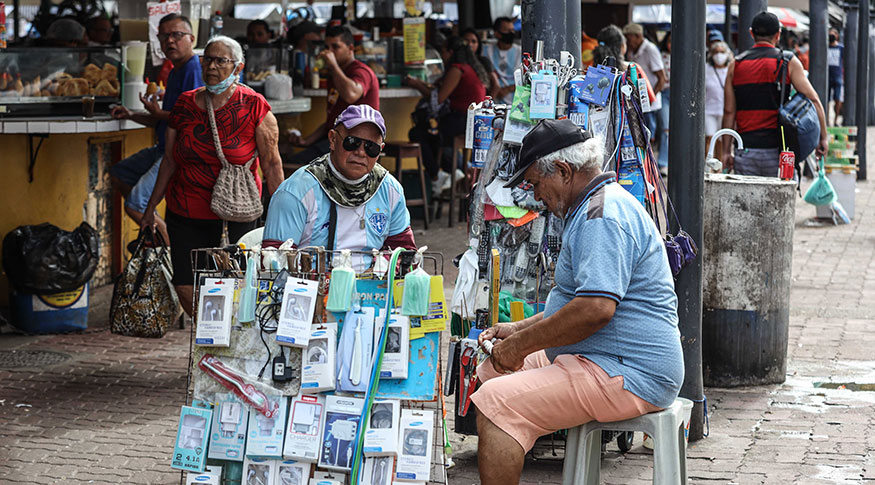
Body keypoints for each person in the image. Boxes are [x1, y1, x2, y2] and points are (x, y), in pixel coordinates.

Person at [473, 119, 683, 485]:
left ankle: (513, 430)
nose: (537, 196)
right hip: (602, 357)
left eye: (538, 184)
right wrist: (518, 331)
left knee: (496, 404)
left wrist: (521, 345)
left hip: (630, 370)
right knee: (493, 371)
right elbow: (575, 303)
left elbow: (595, 310)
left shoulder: (601, 216)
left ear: (565, 172)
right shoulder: (594, 207)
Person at [141, 35, 284, 316]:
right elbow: (169, 161)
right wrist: (150, 208)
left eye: (221, 60)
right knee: (185, 284)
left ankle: (223, 346)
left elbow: (272, 165)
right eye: (207, 59)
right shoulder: (184, 105)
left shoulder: (255, 106)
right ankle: (207, 336)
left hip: (236, 217)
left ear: (238, 68)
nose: (212, 66)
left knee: (238, 288)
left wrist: (281, 218)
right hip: (185, 210)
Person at [263, 104, 416, 259]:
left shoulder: (390, 189)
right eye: (352, 142)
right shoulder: (296, 191)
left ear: (381, 150)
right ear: (333, 139)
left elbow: (404, 252)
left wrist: (377, 273)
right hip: (312, 282)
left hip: (373, 281)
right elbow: (273, 262)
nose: (361, 152)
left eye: (371, 148)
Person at [109, 13, 204, 245]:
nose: (169, 41)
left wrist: (157, 112)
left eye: (177, 35)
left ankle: (173, 251)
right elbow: (163, 120)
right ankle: (158, 231)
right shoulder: (174, 71)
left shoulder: (194, 69)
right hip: (162, 147)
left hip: (177, 153)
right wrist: (133, 115)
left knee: (135, 204)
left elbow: (191, 118)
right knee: (120, 174)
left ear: (191, 38)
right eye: (164, 36)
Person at [722, 11, 828, 177]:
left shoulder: (736, 65)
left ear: (751, 33)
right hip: (780, 152)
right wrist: (823, 138)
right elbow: (813, 100)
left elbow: (729, 112)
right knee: (780, 202)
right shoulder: (787, 62)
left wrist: (726, 152)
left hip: (746, 149)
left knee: (747, 202)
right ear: (778, 35)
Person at [405, 36, 488, 193]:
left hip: (461, 121)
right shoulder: (471, 68)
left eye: (443, 51)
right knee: (432, 137)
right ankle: (455, 173)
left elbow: (438, 98)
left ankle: (438, 176)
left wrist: (416, 84)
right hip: (471, 123)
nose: (442, 56)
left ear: (451, 52)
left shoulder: (457, 69)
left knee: (418, 133)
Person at [287, 25, 379, 164]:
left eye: (335, 47)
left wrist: (333, 66)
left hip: (355, 143)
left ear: (350, 48)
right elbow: (331, 122)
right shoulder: (334, 75)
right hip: (337, 139)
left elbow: (351, 94)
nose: (329, 52)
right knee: (290, 160)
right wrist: (306, 142)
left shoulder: (360, 71)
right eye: (326, 47)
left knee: (295, 165)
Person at [623, 23, 666, 144]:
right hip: (637, 101)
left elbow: (662, 78)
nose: (627, 41)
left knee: (648, 136)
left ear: (638, 36)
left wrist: (648, 99)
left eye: (629, 38)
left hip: (649, 103)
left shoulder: (650, 50)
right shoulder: (632, 50)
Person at [481, 17, 521, 104]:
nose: (511, 33)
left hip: (516, 103)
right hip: (494, 101)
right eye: (507, 31)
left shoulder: (520, 52)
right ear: (497, 33)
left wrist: (507, 89)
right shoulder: (486, 50)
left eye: (512, 30)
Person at [705, 41, 732, 161]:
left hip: (724, 109)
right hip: (708, 109)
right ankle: (707, 165)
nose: (719, 55)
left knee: (721, 139)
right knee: (709, 137)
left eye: (722, 52)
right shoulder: (706, 69)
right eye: (716, 52)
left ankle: (719, 165)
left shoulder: (730, 69)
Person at [461, 27, 501, 99]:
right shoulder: (458, 62)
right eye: (466, 41)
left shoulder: (483, 61)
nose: (470, 44)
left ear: (478, 44)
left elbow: (496, 86)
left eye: (473, 41)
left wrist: (486, 105)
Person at [656, 32, 671, 173]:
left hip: (679, 95)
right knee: (666, 129)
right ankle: (663, 162)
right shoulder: (661, 56)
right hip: (665, 93)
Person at [828, 28, 844, 125]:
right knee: (827, 99)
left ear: (837, 36)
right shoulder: (826, 47)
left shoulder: (841, 48)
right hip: (828, 76)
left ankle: (835, 120)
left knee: (838, 99)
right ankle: (827, 119)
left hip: (837, 75)